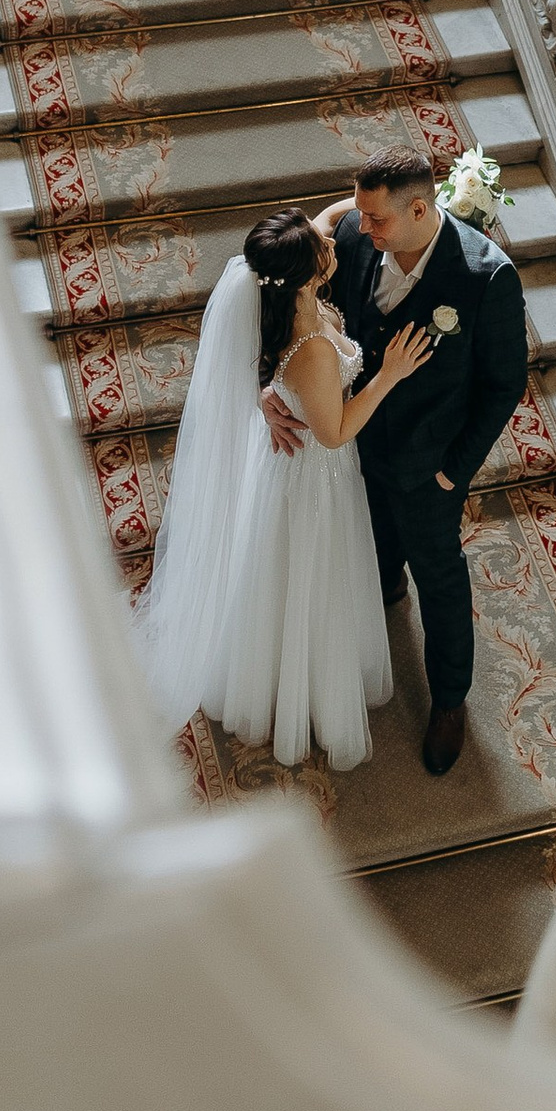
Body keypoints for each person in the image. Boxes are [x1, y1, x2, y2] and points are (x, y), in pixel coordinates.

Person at [132, 205, 433, 774]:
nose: (334, 243)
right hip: (311, 477)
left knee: (276, 571)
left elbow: (332, 212)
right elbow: (335, 432)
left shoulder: (283, 288)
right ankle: (298, 689)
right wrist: (390, 373)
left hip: (286, 458)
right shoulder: (310, 349)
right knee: (306, 577)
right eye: (324, 248)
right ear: (306, 275)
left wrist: (381, 203)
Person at [269, 148, 531, 777]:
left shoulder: (485, 278)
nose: (362, 227)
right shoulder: (358, 237)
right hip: (352, 448)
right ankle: (385, 585)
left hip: (428, 467)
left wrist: (454, 472)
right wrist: (270, 390)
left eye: (376, 218)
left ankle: (448, 701)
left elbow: (503, 387)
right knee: (375, 543)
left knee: (439, 581)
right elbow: (285, 306)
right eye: (359, 213)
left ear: (420, 208)